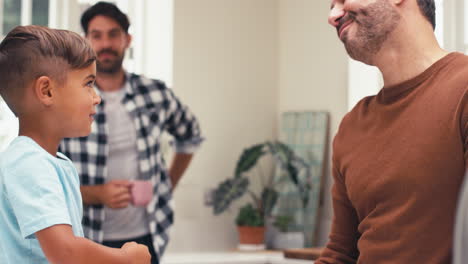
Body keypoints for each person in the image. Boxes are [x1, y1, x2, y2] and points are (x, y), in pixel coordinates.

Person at [316, 0, 467, 263]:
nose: (333, 16)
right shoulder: (352, 126)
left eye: (342, 0)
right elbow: (341, 253)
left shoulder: (463, 90)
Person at [59, 2, 204, 263]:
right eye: (97, 35)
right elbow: (49, 175)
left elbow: (190, 134)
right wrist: (96, 194)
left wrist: (168, 185)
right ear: (85, 40)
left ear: (128, 39)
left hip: (147, 235)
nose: (105, 44)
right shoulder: (69, 99)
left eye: (114, 34)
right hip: (87, 236)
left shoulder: (155, 93)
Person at [0, 25, 151, 264]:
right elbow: (65, 252)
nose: (97, 97)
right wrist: (126, 258)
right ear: (47, 91)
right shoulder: (28, 162)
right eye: (88, 83)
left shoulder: (55, 163)